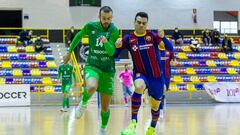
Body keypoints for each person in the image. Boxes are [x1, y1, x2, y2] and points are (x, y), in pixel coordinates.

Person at [63, 6, 119, 135]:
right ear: (99, 17)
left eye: (109, 18)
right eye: (104, 18)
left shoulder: (114, 30)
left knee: (105, 107)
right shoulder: (91, 26)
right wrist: (69, 52)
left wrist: (105, 42)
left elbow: (111, 51)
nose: (106, 21)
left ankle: (103, 128)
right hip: (92, 65)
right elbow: (78, 36)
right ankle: (83, 103)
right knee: (92, 86)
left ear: (112, 18)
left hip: (108, 70)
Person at [115, 12, 173, 135]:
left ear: (147, 24)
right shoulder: (128, 39)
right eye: (139, 22)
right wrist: (116, 45)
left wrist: (163, 37)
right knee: (139, 86)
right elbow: (115, 55)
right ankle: (132, 123)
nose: (141, 25)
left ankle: (151, 128)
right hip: (140, 73)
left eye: (144, 23)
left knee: (155, 106)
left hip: (156, 77)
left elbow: (170, 49)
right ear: (134, 22)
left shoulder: (152, 36)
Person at [158, 40, 176, 118]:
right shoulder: (155, 51)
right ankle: (160, 109)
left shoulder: (169, 51)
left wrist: (173, 63)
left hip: (167, 75)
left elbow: (174, 61)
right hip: (158, 75)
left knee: (164, 92)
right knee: (161, 91)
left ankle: (162, 102)